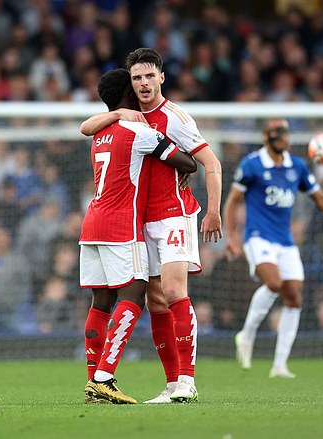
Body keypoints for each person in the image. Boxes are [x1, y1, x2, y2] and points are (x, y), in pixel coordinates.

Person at [80, 48, 223, 404]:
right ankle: (172, 384)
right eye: (137, 78)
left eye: (149, 76)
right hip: (139, 221)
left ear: (161, 77)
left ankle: (188, 381)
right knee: (156, 301)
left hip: (175, 213)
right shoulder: (125, 120)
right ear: (130, 83)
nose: (144, 83)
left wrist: (214, 211)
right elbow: (86, 126)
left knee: (174, 292)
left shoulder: (174, 117)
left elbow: (208, 162)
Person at [223, 119, 323, 378]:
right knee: (275, 283)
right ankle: (247, 334)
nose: (284, 138)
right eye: (279, 133)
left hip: (285, 241)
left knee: (294, 297)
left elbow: (321, 200)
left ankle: (279, 365)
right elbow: (233, 201)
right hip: (258, 237)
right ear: (267, 137)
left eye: (286, 133)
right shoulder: (252, 165)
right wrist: (231, 236)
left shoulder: (297, 166)